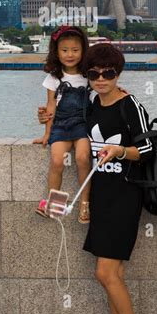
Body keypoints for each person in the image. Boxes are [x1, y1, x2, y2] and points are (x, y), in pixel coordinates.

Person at [82, 43, 153, 314]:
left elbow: (148, 147)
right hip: (101, 194)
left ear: (118, 73)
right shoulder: (92, 104)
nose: (100, 79)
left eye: (107, 73)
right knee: (113, 275)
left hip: (125, 195)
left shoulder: (130, 104)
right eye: (94, 73)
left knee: (105, 272)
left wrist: (120, 152)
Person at [32, 25, 94, 224]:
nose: (70, 55)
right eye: (64, 50)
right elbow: (51, 107)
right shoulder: (53, 78)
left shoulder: (88, 76)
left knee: (83, 158)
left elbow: (103, 92)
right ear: (56, 53)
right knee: (57, 161)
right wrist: (46, 134)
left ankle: (85, 203)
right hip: (60, 125)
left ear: (83, 51)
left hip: (82, 125)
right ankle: (55, 206)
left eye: (75, 50)